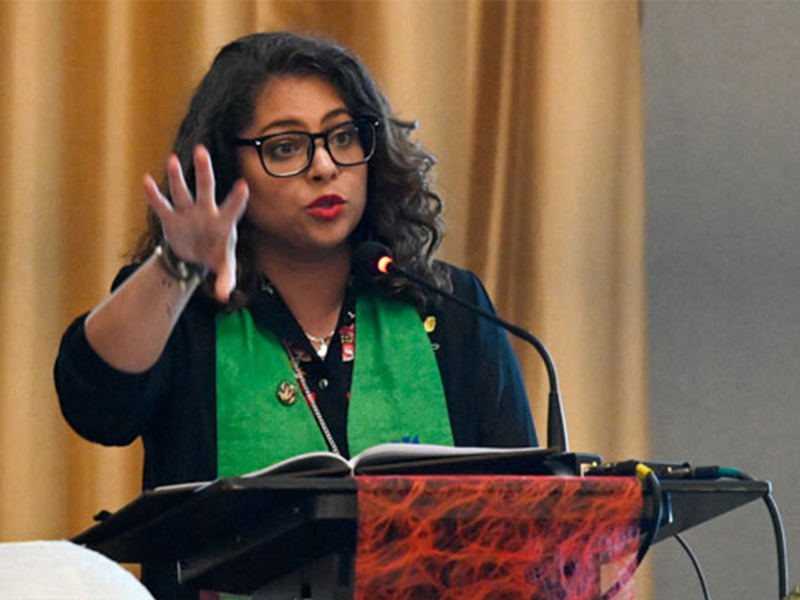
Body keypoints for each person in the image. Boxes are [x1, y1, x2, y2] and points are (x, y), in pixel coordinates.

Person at [54, 31, 537, 600]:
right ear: (230, 167)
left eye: (342, 136)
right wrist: (178, 267)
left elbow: (529, 514)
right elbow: (96, 404)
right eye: (285, 147)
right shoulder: (181, 309)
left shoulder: (447, 307)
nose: (325, 167)